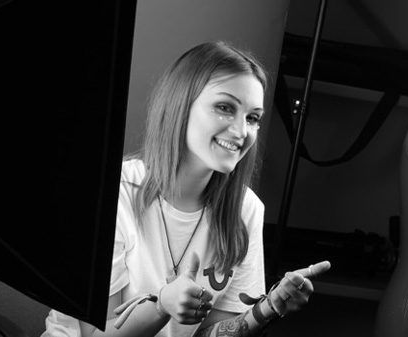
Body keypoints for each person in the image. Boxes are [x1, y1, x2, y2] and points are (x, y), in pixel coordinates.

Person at [42, 41, 330, 337]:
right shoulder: (113, 195)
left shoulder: (246, 210)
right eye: (224, 107)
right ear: (181, 104)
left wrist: (267, 308)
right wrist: (160, 306)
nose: (241, 131)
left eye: (252, 118)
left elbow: (210, 334)